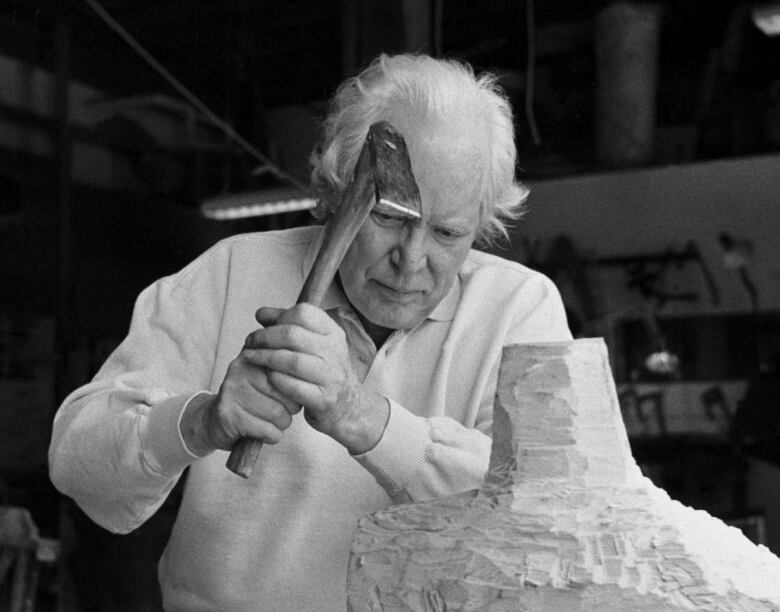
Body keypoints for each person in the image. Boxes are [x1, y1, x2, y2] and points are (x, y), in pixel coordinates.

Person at [49, 53, 572, 611]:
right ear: (335, 191)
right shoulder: (230, 275)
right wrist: (200, 421)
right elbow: (78, 465)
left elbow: (546, 516)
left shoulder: (520, 309)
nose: (412, 260)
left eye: (448, 232)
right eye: (390, 216)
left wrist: (363, 417)